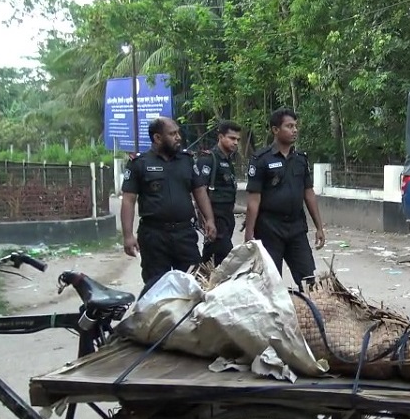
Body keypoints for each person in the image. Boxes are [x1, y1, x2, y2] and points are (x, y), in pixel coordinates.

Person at [121, 117, 216, 294]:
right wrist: (128, 235)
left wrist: (209, 219)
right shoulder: (139, 163)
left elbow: (200, 191)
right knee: (156, 288)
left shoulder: (186, 160)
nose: (178, 137)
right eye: (172, 134)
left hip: (184, 234)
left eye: (178, 133)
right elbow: (128, 200)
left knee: (195, 284)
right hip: (154, 236)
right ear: (157, 138)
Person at [244, 108, 326, 289]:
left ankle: (308, 314)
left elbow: (309, 193)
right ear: (275, 130)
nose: (294, 130)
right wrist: (249, 233)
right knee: (270, 282)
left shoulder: (300, 159)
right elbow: (254, 199)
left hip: (296, 227)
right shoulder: (261, 160)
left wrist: (319, 226)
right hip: (269, 228)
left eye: (296, 126)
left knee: (308, 279)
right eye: (289, 126)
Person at [197, 120, 242, 266]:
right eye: (232, 138)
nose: (235, 143)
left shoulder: (228, 162)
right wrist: (206, 220)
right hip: (215, 218)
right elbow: (199, 191)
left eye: (238, 139)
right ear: (221, 137)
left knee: (212, 261)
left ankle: (201, 284)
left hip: (227, 219)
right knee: (228, 260)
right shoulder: (209, 159)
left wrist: (248, 210)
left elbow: (228, 200)